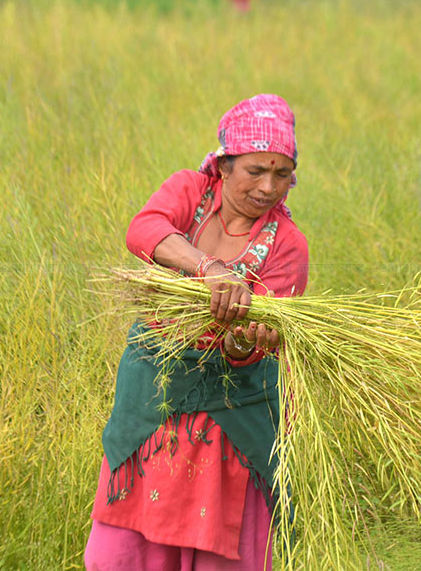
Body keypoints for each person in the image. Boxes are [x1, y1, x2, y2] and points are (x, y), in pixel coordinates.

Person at [84, 94, 308, 571]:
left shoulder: (288, 244)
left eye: (282, 173)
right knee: (121, 555)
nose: (269, 187)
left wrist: (246, 340)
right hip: (153, 400)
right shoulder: (190, 191)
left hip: (229, 418)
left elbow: (248, 348)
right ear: (224, 165)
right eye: (255, 170)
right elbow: (144, 229)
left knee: (216, 552)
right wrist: (209, 269)